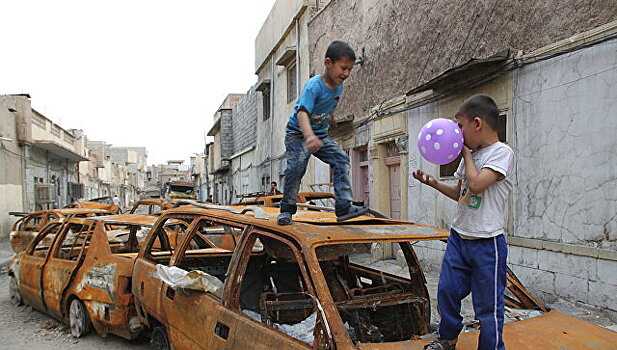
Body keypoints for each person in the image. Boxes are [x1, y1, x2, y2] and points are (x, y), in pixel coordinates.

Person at [414, 94, 514, 350]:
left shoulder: (502, 152)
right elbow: (462, 193)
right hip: (460, 236)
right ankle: (447, 339)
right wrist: (434, 182)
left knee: (487, 306)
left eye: (460, 125)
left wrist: (467, 156)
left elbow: (478, 185)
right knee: (446, 291)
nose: (457, 132)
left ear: (477, 123)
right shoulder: (471, 156)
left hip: (487, 242)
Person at [278, 40, 367, 225]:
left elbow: (329, 104)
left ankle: (343, 207)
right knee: (296, 167)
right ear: (328, 63)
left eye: (350, 69)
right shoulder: (314, 86)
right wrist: (309, 136)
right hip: (298, 134)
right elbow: (302, 113)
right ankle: (286, 209)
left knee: (341, 159)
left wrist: (331, 119)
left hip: (320, 135)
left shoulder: (339, 86)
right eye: (343, 68)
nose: (346, 74)